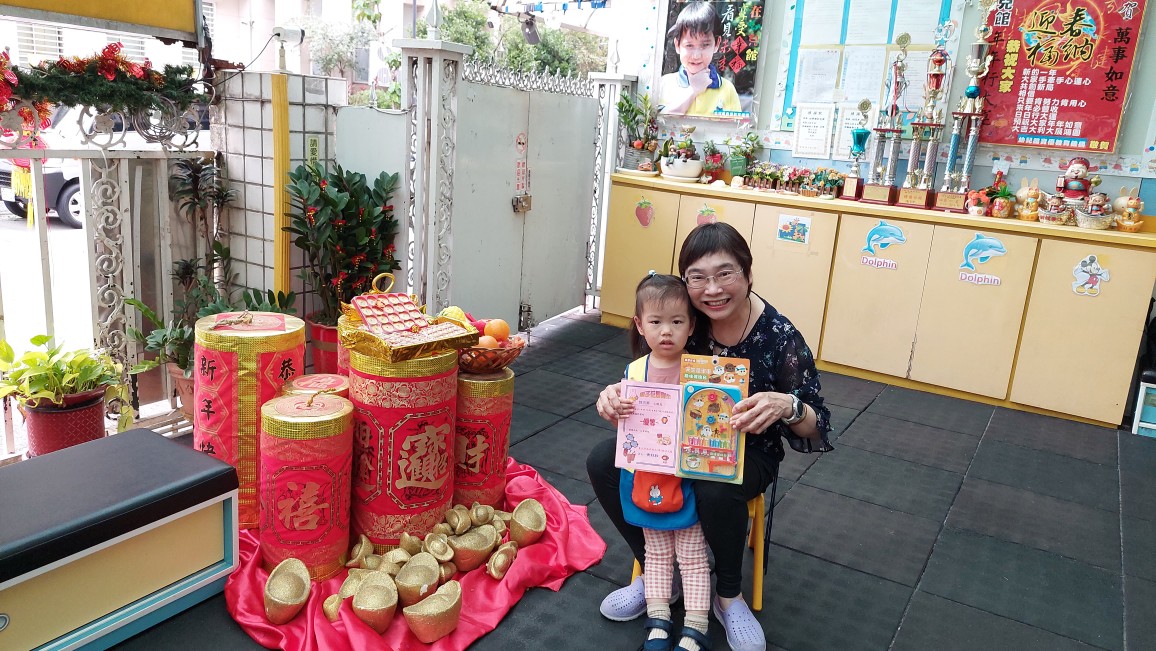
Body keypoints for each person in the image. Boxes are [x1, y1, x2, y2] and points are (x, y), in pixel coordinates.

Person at [588, 223, 833, 651]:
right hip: (669, 442)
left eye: (725, 273)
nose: (713, 289)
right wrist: (615, 397)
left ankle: (727, 596)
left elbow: (818, 425)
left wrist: (787, 405)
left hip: (748, 450)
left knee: (713, 485)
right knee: (602, 461)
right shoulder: (685, 319)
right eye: (698, 277)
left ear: (748, 274)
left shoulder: (778, 336)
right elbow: (647, 375)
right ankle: (658, 573)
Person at [619, 272, 712, 651]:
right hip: (646, 478)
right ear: (640, 325)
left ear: (692, 325)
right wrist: (615, 408)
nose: (667, 331)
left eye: (677, 321)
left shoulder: (702, 371)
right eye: (656, 322)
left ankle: (696, 625)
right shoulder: (633, 372)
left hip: (688, 475)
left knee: (692, 555)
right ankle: (658, 621)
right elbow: (626, 426)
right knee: (655, 554)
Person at [659, 1, 742, 117]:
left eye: (705, 45)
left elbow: (735, 127)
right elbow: (656, 122)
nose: (696, 55)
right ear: (677, 45)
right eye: (689, 45)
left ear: (717, 44)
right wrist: (693, 90)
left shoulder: (727, 89)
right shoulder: (664, 84)